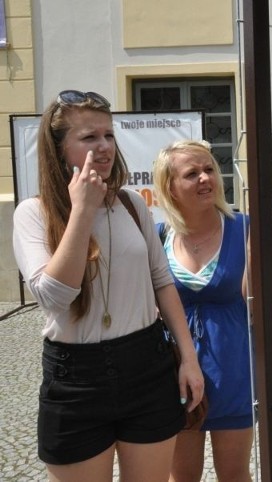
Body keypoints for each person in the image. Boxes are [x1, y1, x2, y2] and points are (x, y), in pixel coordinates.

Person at [12, 90, 204, 482]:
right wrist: (81, 210)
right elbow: (53, 296)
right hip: (75, 379)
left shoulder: (132, 204)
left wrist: (188, 357)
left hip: (145, 364)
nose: (103, 147)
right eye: (88, 137)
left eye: (109, 135)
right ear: (58, 147)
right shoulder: (33, 214)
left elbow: (162, 282)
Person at [153, 140, 254, 482]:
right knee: (182, 477)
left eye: (209, 169)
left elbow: (256, 301)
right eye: (191, 173)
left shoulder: (244, 228)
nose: (205, 179)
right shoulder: (159, 236)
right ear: (170, 187)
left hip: (234, 370)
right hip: (176, 372)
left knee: (235, 474)